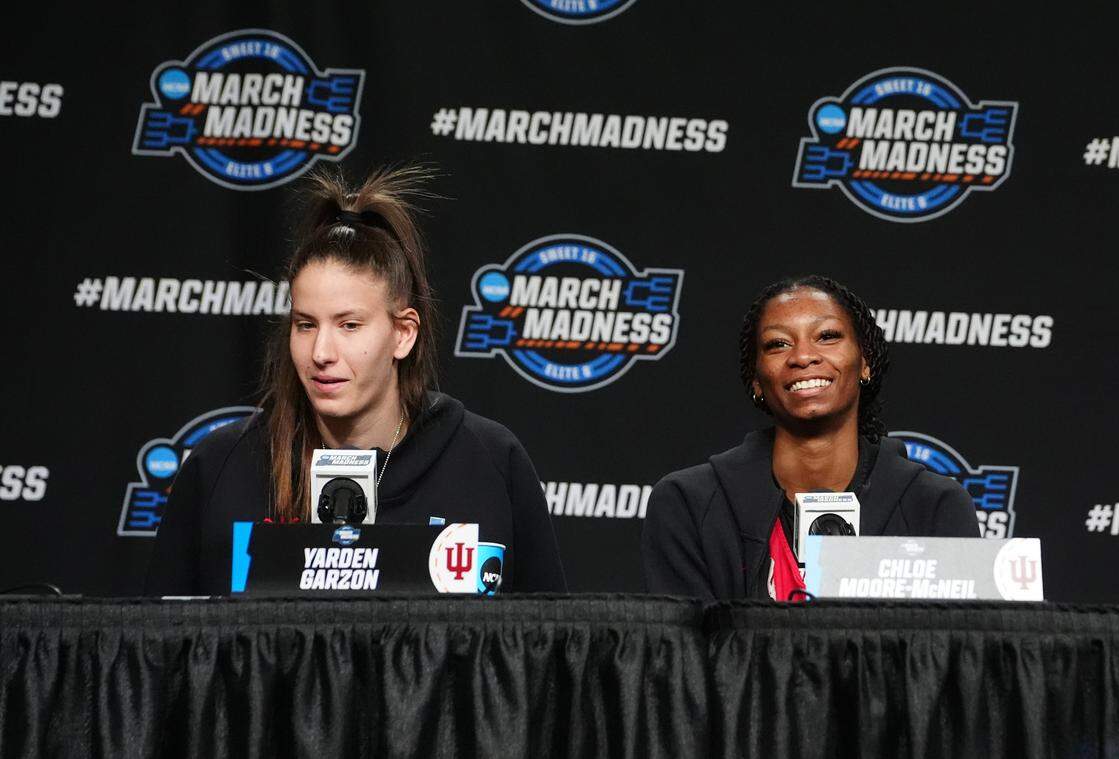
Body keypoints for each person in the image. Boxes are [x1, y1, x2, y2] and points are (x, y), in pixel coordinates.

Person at [146, 168, 566, 596]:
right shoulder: (221, 466)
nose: (321, 352)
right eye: (306, 325)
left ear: (403, 333)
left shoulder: (491, 463)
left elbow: (547, 647)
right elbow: (159, 647)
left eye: (349, 325)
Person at [641, 274, 977, 601]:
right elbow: (682, 652)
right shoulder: (687, 504)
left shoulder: (935, 506)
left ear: (865, 362)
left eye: (827, 336)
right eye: (778, 344)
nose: (803, 356)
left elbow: (953, 652)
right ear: (756, 380)